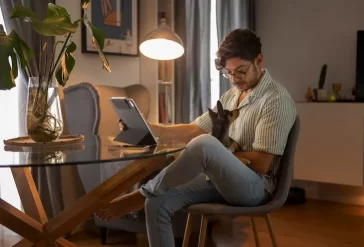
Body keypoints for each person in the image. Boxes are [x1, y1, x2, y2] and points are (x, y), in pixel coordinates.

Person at [96, 28, 297, 247]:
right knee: (157, 203)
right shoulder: (231, 96)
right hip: (220, 181)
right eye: (228, 73)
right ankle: (149, 196)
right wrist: (149, 127)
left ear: (259, 60)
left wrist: (220, 153)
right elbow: (193, 130)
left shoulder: (276, 100)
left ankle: (142, 194)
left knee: (206, 144)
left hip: (256, 188)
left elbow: (260, 163)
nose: (234, 79)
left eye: (240, 71)